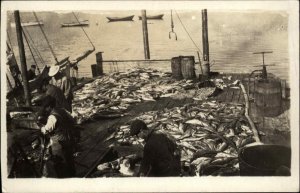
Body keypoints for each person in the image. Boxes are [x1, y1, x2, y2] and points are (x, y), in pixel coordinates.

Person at [37, 95, 76, 177]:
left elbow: (46, 130)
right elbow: (72, 120)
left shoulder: (52, 117)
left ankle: (65, 177)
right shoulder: (62, 110)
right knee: (69, 158)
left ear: (50, 106)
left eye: (46, 107)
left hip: (60, 142)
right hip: (69, 138)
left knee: (61, 159)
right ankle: (73, 174)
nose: (45, 109)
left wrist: (41, 127)